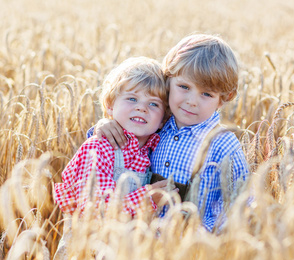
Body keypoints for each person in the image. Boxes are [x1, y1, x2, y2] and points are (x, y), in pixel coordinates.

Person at [89, 34, 249, 232]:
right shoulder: (157, 123)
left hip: (190, 251)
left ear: (225, 98)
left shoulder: (222, 144)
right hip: (139, 243)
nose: (192, 101)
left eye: (206, 94)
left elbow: (242, 201)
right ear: (168, 81)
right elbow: (110, 151)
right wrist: (104, 126)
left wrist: (205, 235)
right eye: (184, 87)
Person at [54, 56, 174, 219]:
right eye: (132, 99)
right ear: (110, 105)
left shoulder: (155, 150)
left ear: (164, 119)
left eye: (153, 103)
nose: (141, 108)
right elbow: (95, 210)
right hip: (89, 242)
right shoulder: (99, 148)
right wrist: (147, 200)